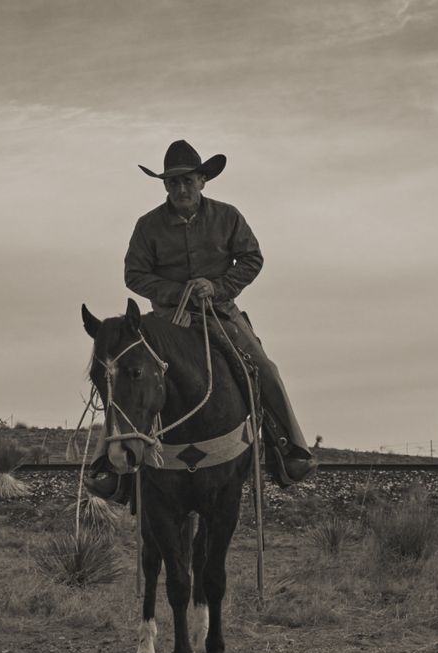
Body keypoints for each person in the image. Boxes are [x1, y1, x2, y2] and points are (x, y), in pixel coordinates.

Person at [125, 139, 314, 485]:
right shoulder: (147, 226)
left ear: (202, 181)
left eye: (187, 180)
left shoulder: (227, 216)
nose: (181, 188)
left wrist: (217, 287)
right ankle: (113, 469)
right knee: (124, 368)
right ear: (165, 185)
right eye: (173, 182)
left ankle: (288, 448)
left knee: (264, 368)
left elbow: (252, 258)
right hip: (167, 320)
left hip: (220, 313)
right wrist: (175, 291)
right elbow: (134, 275)